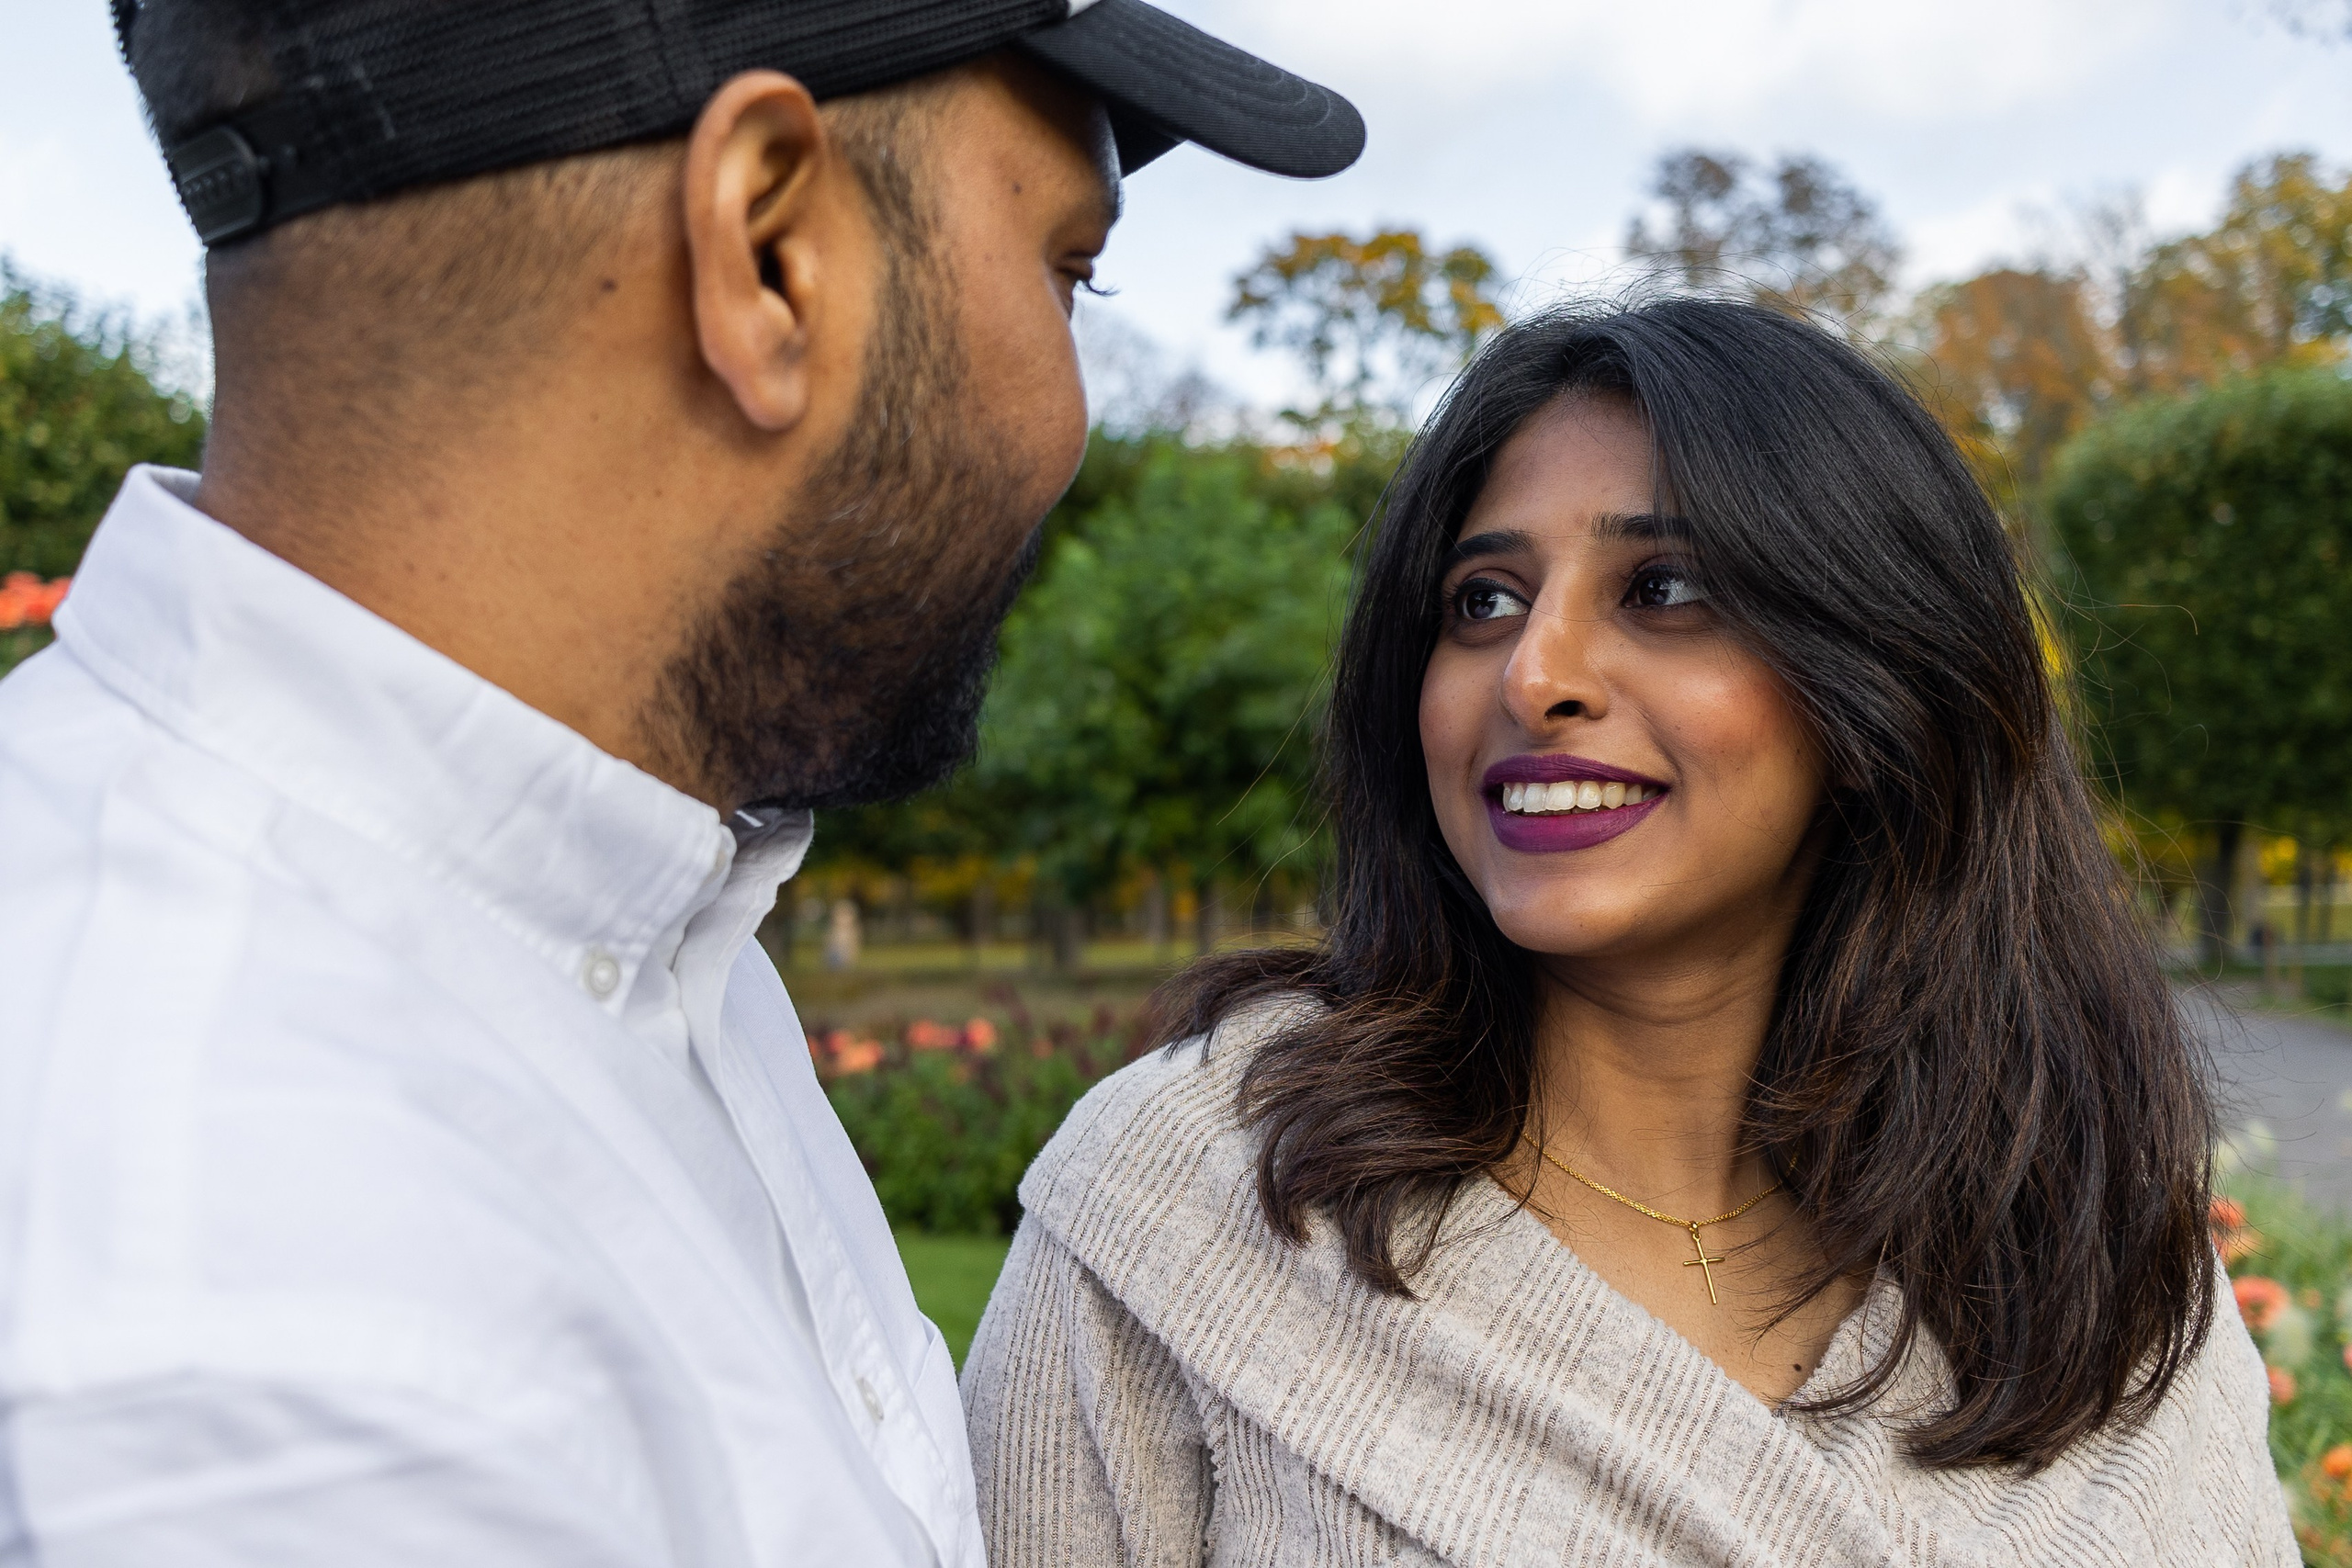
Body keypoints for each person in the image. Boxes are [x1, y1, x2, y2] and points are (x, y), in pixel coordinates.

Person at [0, 2, 1360, 1562]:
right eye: (1070, 271)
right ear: (766, 248)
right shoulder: (258, 1355)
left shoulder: (612, 925)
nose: (1075, 415)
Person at [963, 299, 2298, 1566]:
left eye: (1662, 589)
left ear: (1876, 686)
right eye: (1482, 600)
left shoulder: (2081, 1233)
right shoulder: (1194, 1197)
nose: (1535, 675)